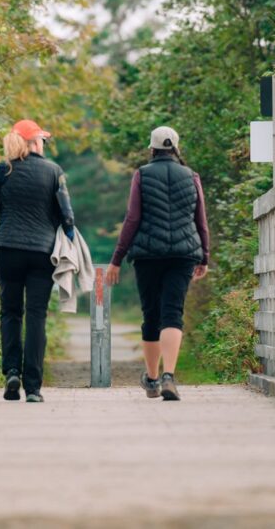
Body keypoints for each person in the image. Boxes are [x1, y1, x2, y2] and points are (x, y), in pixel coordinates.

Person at [107, 126, 210, 401]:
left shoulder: (142, 174)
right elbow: (200, 219)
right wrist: (204, 256)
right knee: (172, 313)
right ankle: (169, 376)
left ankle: (152, 379)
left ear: (151, 149)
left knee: (151, 315)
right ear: (176, 148)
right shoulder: (192, 176)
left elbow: (132, 219)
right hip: (183, 254)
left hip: (148, 254)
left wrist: (116, 259)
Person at [0, 118, 76, 403]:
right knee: (36, 316)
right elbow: (68, 217)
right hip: (41, 253)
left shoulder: (2, 170)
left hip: (7, 250)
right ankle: (33, 387)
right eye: (42, 140)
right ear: (33, 142)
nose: (44, 145)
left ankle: (12, 371)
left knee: (10, 313)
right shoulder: (54, 172)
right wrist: (67, 236)